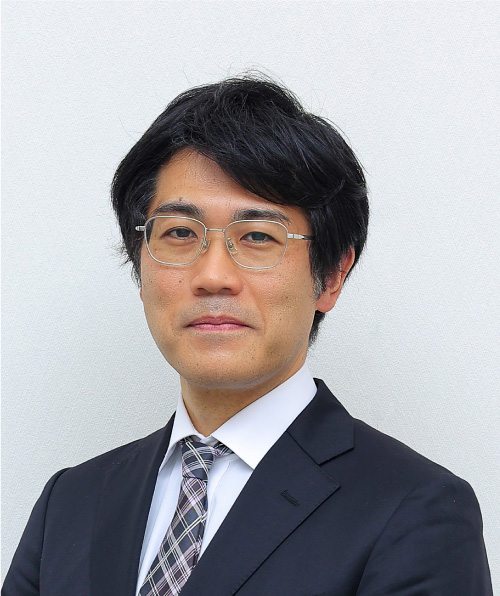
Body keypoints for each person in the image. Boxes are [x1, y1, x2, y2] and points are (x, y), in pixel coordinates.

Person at [3, 76, 492, 596]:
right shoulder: (70, 502)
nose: (213, 276)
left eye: (258, 236)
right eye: (179, 233)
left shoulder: (415, 510)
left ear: (331, 276)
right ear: (140, 266)